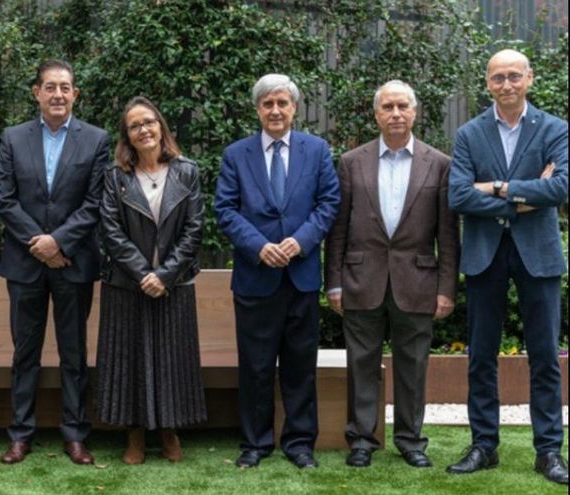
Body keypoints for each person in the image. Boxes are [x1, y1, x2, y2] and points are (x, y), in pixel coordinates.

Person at [447, 49, 568, 485]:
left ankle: (549, 451)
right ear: (487, 83)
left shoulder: (555, 129)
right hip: (485, 253)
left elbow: (561, 187)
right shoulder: (468, 133)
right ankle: (484, 446)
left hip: (538, 255)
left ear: (529, 78)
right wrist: (525, 197)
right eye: (498, 77)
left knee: (545, 357)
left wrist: (497, 188)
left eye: (514, 76)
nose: (506, 84)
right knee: (480, 355)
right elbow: (458, 195)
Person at [325, 80, 459, 469]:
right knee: (360, 362)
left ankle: (411, 440)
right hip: (360, 280)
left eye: (403, 106)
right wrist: (333, 282)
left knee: (413, 364)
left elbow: (448, 235)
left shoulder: (440, 163)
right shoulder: (351, 162)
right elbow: (338, 229)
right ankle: (362, 440)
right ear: (376, 114)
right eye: (388, 107)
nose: (396, 113)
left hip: (418, 282)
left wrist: (446, 289)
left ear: (415, 112)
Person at [214, 74, 340, 469]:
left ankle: (300, 443)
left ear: (294, 108)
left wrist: (301, 241)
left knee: (301, 364)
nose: (275, 110)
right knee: (255, 366)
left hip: (300, 276)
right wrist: (259, 247)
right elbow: (225, 210)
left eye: (282, 103)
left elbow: (328, 202)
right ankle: (255, 444)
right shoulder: (237, 154)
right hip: (256, 277)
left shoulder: (316, 150)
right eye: (267, 104)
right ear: (257, 109)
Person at [0, 59, 110, 465]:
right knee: (25, 353)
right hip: (25, 265)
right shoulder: (13, 137)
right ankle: (20, 435)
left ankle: (75, 435)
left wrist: (59, 243)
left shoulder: (96, 140)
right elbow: (5, 199)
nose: (57, 94)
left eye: (65, 87)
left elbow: (95, 203)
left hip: (73, 263)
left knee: (73, 353)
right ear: (36, 93)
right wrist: (39, 244)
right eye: (50, 87)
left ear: (75, 94)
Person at [96, 96, 207, 465]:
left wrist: (164, 275)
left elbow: (194, 231)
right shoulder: (116, 177)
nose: (144, 130)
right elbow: (110, 232)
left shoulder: (187, 172)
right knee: (129, 361)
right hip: (126, 285)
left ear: (161, 127)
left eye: (149, 122)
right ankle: (135, 436)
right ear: (126, 136)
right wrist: (143, 274)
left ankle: (171, 433)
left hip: (174, 284)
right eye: (134, 126)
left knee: (172, 358)